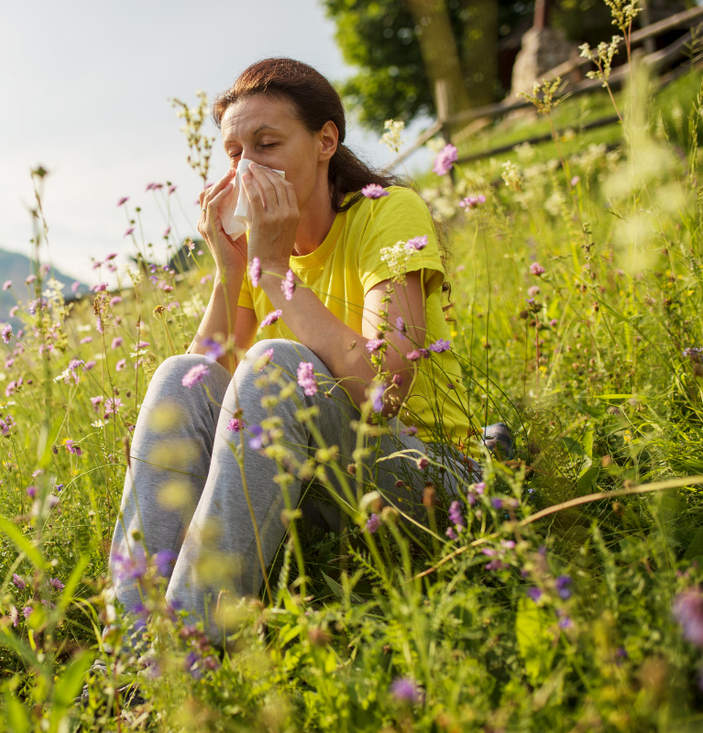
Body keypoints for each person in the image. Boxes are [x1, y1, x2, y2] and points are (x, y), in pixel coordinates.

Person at [108, 58, 479, 645]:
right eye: (234, 153)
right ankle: (129, 653)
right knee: (180, 372)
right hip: (321, 489)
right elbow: (199, 396)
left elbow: (381, 393)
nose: (247, 167)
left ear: (325, 140)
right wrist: (232, 270)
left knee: (277, 364)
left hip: (426, 480)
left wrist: (274, 268)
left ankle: (181, 653)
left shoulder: (387, 212)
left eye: (267, 143)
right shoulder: (261, 250)